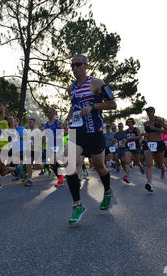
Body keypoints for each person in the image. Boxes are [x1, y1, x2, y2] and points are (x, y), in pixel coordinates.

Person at [62, 54, 117, 225]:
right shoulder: (71, 88)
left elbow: (113, 104)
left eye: (78, 64)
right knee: (69, 163)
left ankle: (107, 191)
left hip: (95, 132)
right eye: (72, 65)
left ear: (86, 66)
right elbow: (74, 105)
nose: (74, 68)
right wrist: (66, 119)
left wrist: (93, 106)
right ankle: (77, 205)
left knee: (99, 166)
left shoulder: (97, 83)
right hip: (77, 131)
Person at [142, 106, 167, 192]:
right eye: (147, 111)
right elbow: (148, 133)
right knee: (149, 164)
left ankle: (163, 168)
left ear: (154, 112)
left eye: (150, 111)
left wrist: (157, 129)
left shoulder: (159, 121)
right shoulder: (145, 123)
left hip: (159, 143)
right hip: (149, 144)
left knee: (159, 163)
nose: (149, 113)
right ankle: (149, 184)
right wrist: (146, 136)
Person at [45, 108, 64, 187]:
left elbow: (63, 132)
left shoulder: (58, 122)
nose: (48, 113)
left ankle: (61, 179)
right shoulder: (46, 123)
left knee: (54, 160)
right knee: (53, 164)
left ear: (54, 114)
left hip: (58, 144)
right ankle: (61, 177)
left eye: (50, 112)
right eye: (48, 112)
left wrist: (58, 136)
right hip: (50, 144)